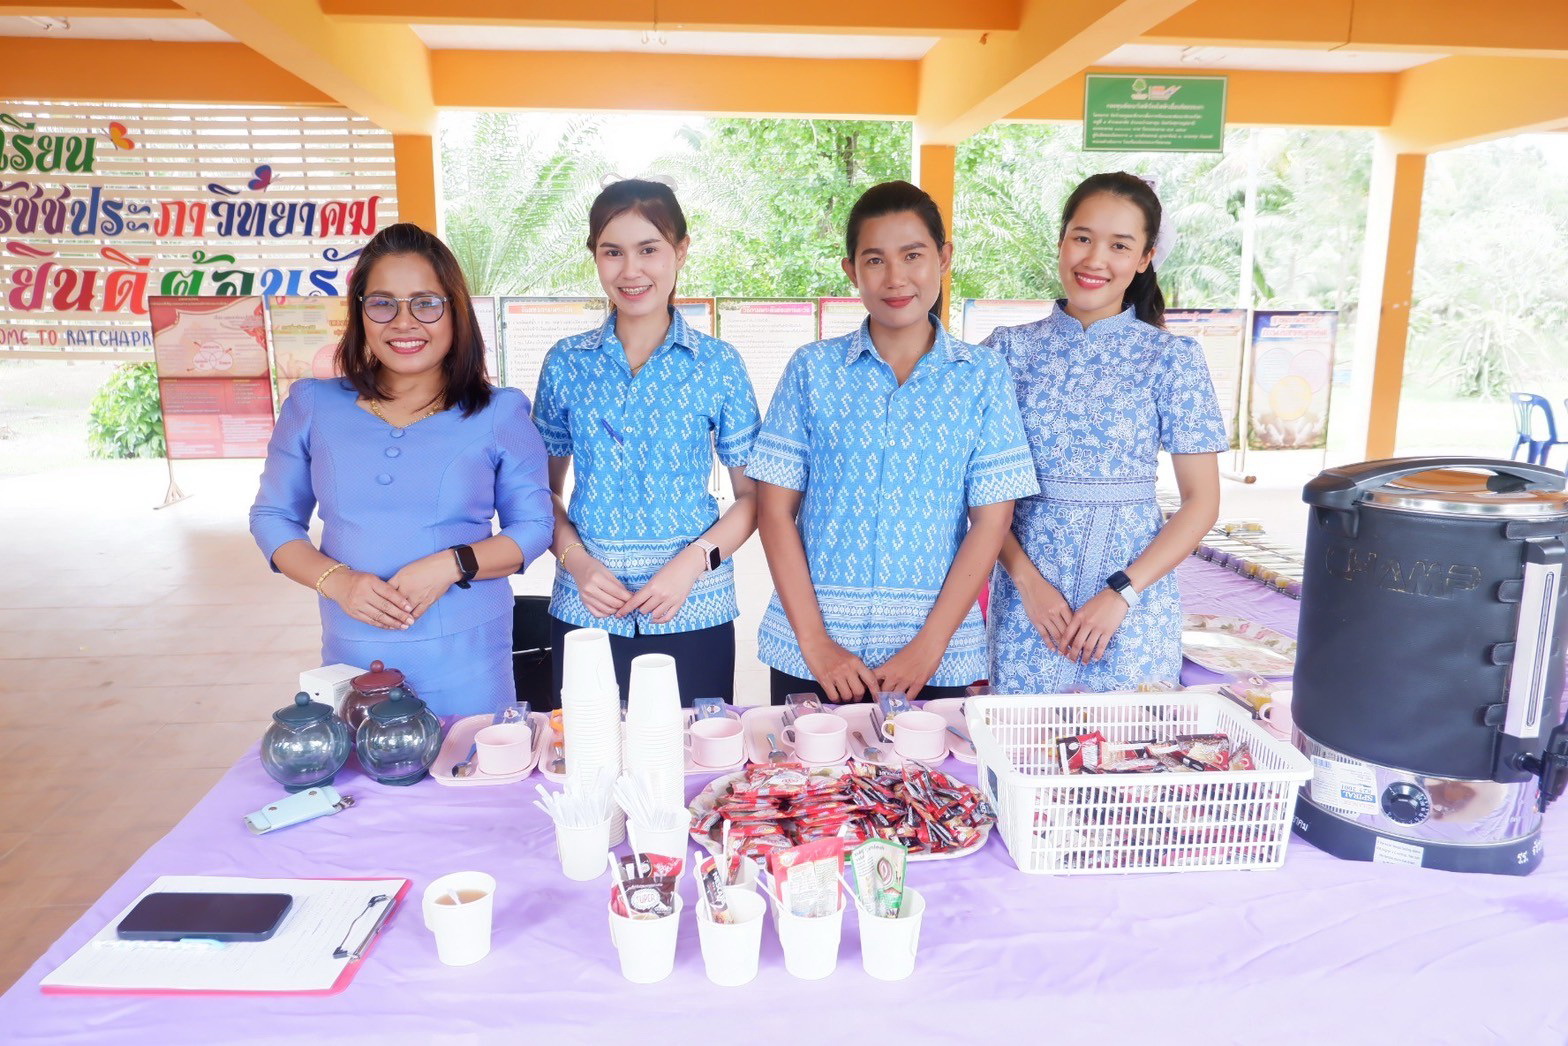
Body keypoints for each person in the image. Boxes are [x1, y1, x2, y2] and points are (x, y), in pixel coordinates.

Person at [748, 180, 1038, 705]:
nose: (896, 278)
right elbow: (774, 510)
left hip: (935, 656)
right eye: (875, 260)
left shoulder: (982, 376)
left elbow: (992, 521)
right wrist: (816, 644)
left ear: (943, 258)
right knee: (800, 761)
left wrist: (929, 647)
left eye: (913, 255)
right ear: (851, 270)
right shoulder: (812, 370)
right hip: (815, 654)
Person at [250, 222, 553, 716]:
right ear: (361, 312)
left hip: (469, 656)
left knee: (473, 759)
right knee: (365, 760)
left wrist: (452, 564)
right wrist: (337, 581)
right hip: (354, 654)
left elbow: (535, 527)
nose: (404, 322)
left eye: (426, 303)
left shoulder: (500, 413)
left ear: (455, 311)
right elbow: (272, 517)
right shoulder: (311, 405)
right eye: (383, 303)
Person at [986, 172, 1227, 694]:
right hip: (1031, 608)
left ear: (1144, 258)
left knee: (1133, 738)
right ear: (1061, 241)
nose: (1095, 259)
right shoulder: (1004, 352)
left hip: (1132, 611)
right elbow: (977, 493)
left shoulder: (1172, 359)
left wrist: (1122, 593)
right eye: (1082, 237)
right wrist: (1028, 584)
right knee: (1022, 738)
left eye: (1119, 245)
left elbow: (1202, 502)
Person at [533, 179, 761, 705]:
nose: (630, 271)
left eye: (649, 250)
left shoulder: (718, 364)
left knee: (695, 748)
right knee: (587, 747)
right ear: (595, 256)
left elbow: (753, 498)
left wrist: (692, 564)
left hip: (693, 607)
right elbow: (540, 493)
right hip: (587, 610)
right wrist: (577, 563)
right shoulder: (566, 362)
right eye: (612, 252)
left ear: (680, 251)